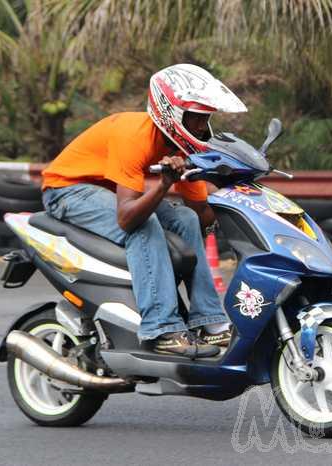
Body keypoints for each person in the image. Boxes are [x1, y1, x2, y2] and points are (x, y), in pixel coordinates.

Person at [40, 64, 248, 358]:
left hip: (106, 192)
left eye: (206, 119)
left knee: (185, 219)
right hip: (67, 190)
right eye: (196, 118)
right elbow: (127, 218)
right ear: (172, 113)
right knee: (144, 224)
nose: (202, 127)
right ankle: (161, 328)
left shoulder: (182, 147)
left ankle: (208, 321)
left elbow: (199, 214)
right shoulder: (133, 137)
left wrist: (231, 189)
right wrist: (164, 184)